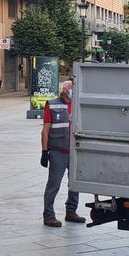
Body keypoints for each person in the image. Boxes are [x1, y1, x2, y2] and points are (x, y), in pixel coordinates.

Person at [40, 80, 84, 227]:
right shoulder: (52, 104)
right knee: (54, 184)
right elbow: (45, 130)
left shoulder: (78, 104)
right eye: (71, 89)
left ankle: (71, 211)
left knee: (75, 184)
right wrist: (44, 151)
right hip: (57, 152)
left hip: (74, 151)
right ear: (64, 90)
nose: (72, 92)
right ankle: (48, 215)